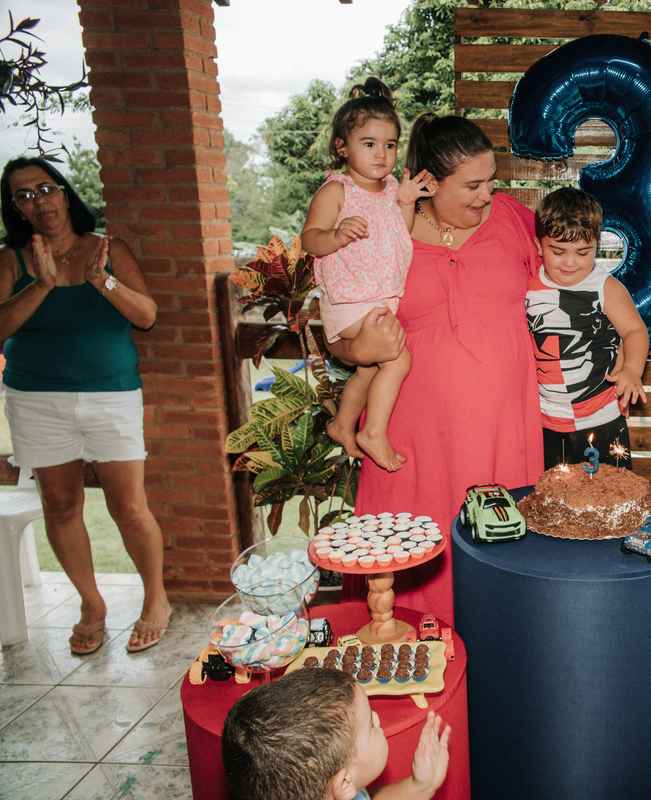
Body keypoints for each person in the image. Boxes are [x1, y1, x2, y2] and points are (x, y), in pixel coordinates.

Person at [327, 114, 543, 624]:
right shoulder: (380, 226)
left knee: (503, 570)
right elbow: (340, 329)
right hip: (412, 443)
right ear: (426, 181)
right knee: (407, 578)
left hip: (502, 436)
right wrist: (359, 351)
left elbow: (575, 278)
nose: (486, 195)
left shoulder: (513, 218)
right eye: (472, 185)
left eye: (491, 182)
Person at [0, 156, 172, 653]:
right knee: (60, 505)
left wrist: (105, 282)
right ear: (15, 208)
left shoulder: (108, 248)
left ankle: (155, 599)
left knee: (129, 507)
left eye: (45, 188)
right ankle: (91, 604)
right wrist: (42, 285)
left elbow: (147, 315)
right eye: (23, 195)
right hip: (36, 399)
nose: (38, 200)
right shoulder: (11, 259)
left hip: (111, 393)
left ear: (65, 193)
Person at [302, 78, 434, 473]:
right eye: (369, 144)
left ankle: (343, 424)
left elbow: (401, 232)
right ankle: (373, 432)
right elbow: (310, 239)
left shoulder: (393, 188)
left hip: (376, 297)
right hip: (349, 299)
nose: (382, 154)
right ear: (343, 147)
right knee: (397, 359)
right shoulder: (336, 191)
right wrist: (336, 235)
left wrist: (407, 202)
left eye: (390, 145)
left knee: (370, 366)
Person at [526, 187, 648, 470]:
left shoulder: (605, 287)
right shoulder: (529, 287)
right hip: (546, 423)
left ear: (597, 245)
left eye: (583, 252)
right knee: (553, 504)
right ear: (538, 245)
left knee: (613, 500)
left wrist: (631, 370)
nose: (570, 262)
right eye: (558, 251)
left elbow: (635, 332)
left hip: (601, 418)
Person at [222, 668, 450, 800]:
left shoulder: (335, 786)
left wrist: (420, 786)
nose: (377, 718)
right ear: (344, 782)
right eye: (369, 725)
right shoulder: (339, 784)